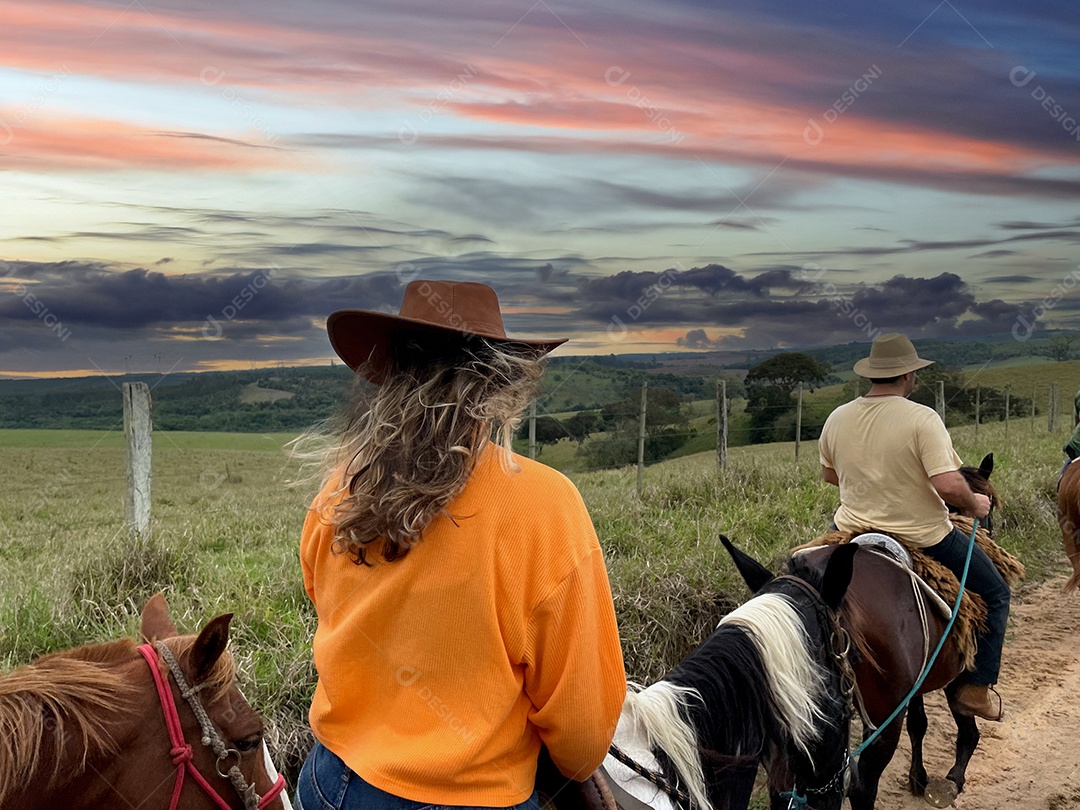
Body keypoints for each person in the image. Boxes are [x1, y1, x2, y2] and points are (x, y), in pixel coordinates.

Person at [294, 280, 626, 810]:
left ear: (391, 374)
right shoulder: (546, 505)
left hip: (329, 782)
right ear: (500, 382)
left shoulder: (339, 491)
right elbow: (583, 739)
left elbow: (329, 610)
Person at [818, 332, 1010, 722]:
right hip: (923, 536)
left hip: (850, 531)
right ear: (908, 376)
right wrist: (975, 504)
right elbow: (946, 484)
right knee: (997, 591)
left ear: (873, 375)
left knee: (806, 578)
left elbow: (830, 476)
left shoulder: (837, 417)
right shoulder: (922, 418)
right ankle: (977, 688)